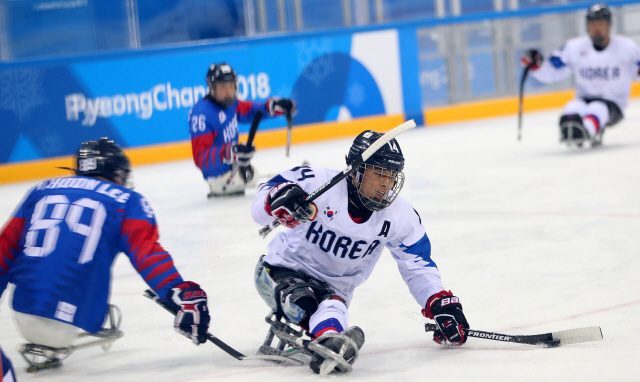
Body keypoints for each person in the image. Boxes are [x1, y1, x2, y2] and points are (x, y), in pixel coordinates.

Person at [251, 130, 469, 375]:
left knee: (334, 308)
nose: (386, 184)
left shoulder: (400, 215)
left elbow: (417, 264)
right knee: (305, 299)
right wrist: (276, 199)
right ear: (355, 171)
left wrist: (438, 302)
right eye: (378, 174)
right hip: (278, 272)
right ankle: (325, 337)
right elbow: (259, 207)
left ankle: (329, 342)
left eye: (391, 176)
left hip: (332, 292)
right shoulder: (316, 182)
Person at [0, 138, 210, 372]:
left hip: (21, 312)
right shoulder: (127, 200)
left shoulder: (39, 190)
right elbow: (147, 254)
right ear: (117, 174)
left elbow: (4, 248)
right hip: (66, 323)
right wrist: (180, 293)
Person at [520, 3, 640, 147]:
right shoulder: (574, 47)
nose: (597, 28)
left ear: (609, 25)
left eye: (601, 23)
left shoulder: (627, 48)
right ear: (587, 25)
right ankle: (571, 128)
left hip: (614, 105)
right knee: (573, 106)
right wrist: (536, 65)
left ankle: (586, 130)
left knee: (597, 107)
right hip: (584, 100)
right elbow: (551, 71)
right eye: (593, 23)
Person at [189, 62, 297, 197]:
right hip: (220, 181)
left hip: (236, 170)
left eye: (231, 85)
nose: (228, 91)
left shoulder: (230, 104)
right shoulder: (201, 115)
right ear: (211, 88)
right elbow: (201, 158)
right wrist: (229, 153)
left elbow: (251, 111)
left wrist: (274, 106)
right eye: (223, 86)